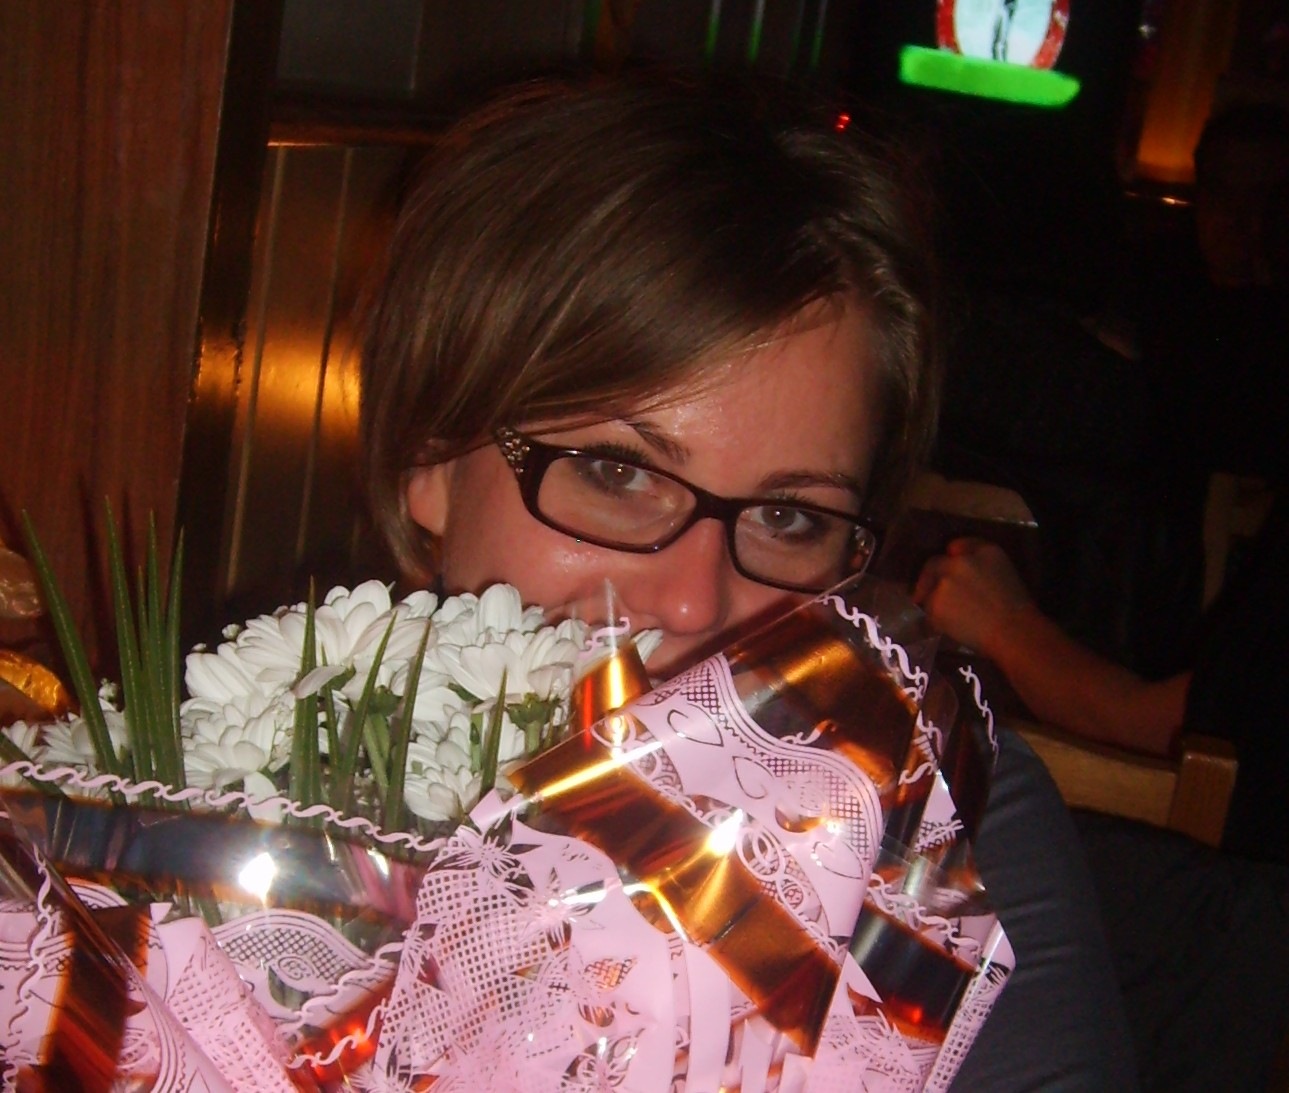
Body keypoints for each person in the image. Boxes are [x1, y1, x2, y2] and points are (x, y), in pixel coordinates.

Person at [359, 72, 1137, 1089]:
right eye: (616, 473)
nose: (693, 601)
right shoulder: (242, 784)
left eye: (787, 517)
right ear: (428, 457)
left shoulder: (934, 829)